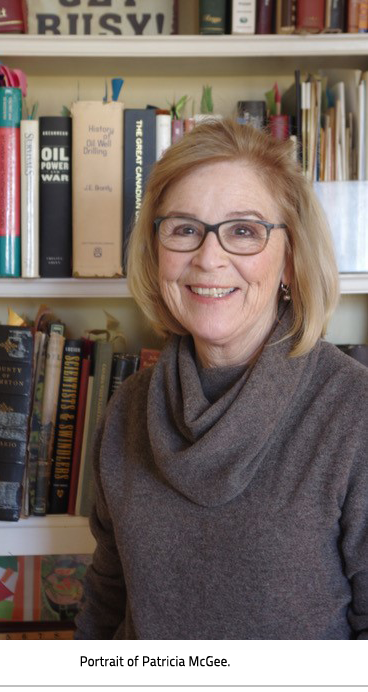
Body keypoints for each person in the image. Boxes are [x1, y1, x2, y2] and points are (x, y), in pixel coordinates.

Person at [75, 118, 368, 640]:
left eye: (244, 231)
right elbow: (106, 597)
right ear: (156, 250)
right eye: (185, 229)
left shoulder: (354, 413)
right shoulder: (126, 408)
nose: (210, 259)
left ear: (290, 259)